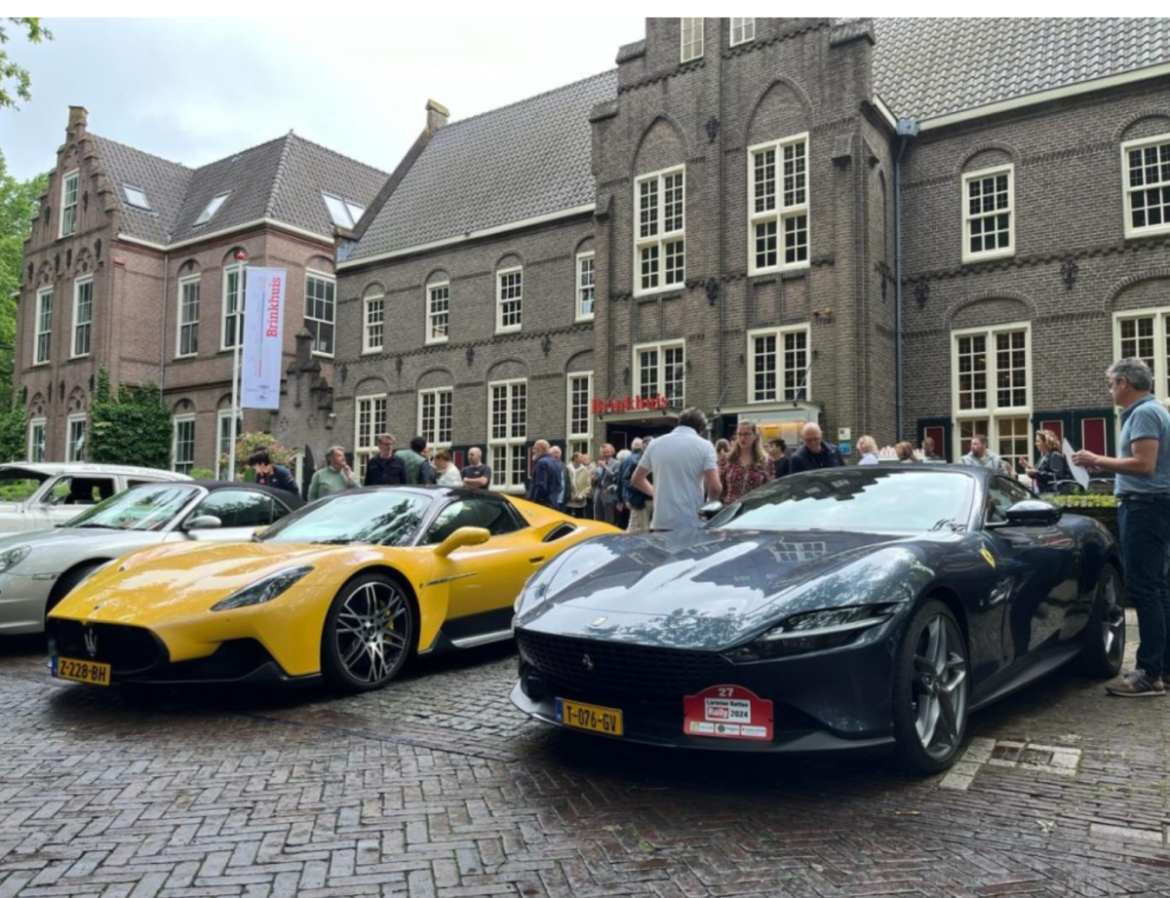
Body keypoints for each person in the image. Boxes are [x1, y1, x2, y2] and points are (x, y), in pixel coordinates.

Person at [1073, 358, 1170, 697]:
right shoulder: (1150, 411)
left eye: (1111, 382)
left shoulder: (1144, 413)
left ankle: (1148, 673)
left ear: (1125, 382)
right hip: (1152, 506)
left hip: (1145, 508)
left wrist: (1095, 460)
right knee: (1156, 588)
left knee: (1144, 589)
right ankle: (1162, 667)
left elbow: (1144, 464)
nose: (1109, 388)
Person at [632, 407, 721, 532]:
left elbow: (637, 479)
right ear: (701, 429)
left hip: (661, 520)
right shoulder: (705, 446)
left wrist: (656, 493)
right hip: (691, 520)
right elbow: (716, 487)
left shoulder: (655, 444)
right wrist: (709, 505)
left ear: (679, 422)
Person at [719, 420, 774, 505]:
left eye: (747, 434)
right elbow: (720, 488)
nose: (742, 438)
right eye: (739, 434)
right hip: (730, 509)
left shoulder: (765, 461)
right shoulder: (727, 459)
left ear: (755, 436)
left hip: (754, 510)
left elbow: (770, 489)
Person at [527, 440, 561, 508]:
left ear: (541, 449)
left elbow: (541, 486)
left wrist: (534, 502)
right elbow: (559, 485)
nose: (533, 451)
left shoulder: (541, 463)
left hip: (543, 505)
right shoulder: (557, 463)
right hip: (554, 503)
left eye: (535, 448)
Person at [592, 443, 621, 524]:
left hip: (608, 493)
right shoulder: (599, 464)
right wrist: (593, 479)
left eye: (607, 452)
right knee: (597, 518)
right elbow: (595, 482)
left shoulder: (617, 463)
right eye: (603, 452)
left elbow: (615, 477)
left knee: (609, 518)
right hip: (598, 492)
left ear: (612, 452)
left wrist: (605, 467)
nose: (605, 454)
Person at [566, 452, 593, 518]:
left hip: (580, 502)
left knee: (580, 520)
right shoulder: (566, 469)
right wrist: (569, 495)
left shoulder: (585, 470)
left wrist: (581, 495)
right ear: (575, 458)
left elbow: (588, 485)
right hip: (568, 501)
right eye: (581, 457)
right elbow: (564, 484)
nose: (583, 459)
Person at [549, 446, 567, 510]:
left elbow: (567, 482)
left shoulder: (564, 466)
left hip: (562, 499)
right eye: (554, 453)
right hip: (552, 500)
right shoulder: (548, 465)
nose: (556, 455)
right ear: (550, 454)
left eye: (558, 453)